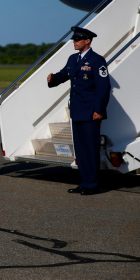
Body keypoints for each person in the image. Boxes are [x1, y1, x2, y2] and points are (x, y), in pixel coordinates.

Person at [47, 27, 111, 196]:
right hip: (77, 110)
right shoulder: (73, 59)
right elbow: (64, 74)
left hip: (91, 112)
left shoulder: (97, 60)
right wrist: (53, 79)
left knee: (90, 149)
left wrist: (99, 110)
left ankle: (92, 184)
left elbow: (103, 87)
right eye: (74, 39)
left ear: (87, 41)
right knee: (81, 150)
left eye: (77, 39)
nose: (74, 42)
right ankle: (83, 182)